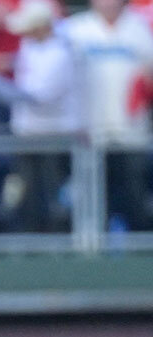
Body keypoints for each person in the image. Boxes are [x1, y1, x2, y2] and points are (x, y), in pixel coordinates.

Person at [0, 0, 81, 232]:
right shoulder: (31, 44)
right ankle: (31, 243)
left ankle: (58, 249)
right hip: (28, 134)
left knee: (54, 202)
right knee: (27, 198)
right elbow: (26, 61)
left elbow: (31, 97)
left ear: (43, 27)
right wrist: (4, 61)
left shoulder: (60, 55)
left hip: (55, 139)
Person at [63, 0, 153, 230]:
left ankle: (137, 248)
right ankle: (91, 246)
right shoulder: (75, 29)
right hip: (90, 128)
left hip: (130, 127)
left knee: (134, 189)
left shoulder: (139, 27)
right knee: (92, 191)